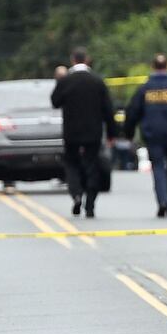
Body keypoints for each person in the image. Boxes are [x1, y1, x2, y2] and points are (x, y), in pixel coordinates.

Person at [50, 48, 116, 218]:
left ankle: (76, 194)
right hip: (93, 132)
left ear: (72, 60)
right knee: (92, 165)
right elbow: (108, 110)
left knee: (71, 164)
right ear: (87, 60)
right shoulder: (97, 81)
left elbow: (55, 101)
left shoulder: (66, 80)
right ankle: (90, 204)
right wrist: (111, 133)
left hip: (71, 132)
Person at [125, 54, 167, 217]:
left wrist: (129, 133)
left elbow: (133, 111)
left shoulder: (146, 87)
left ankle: (162, 200)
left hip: (153, 134)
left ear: (153, 67)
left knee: (158, 168)